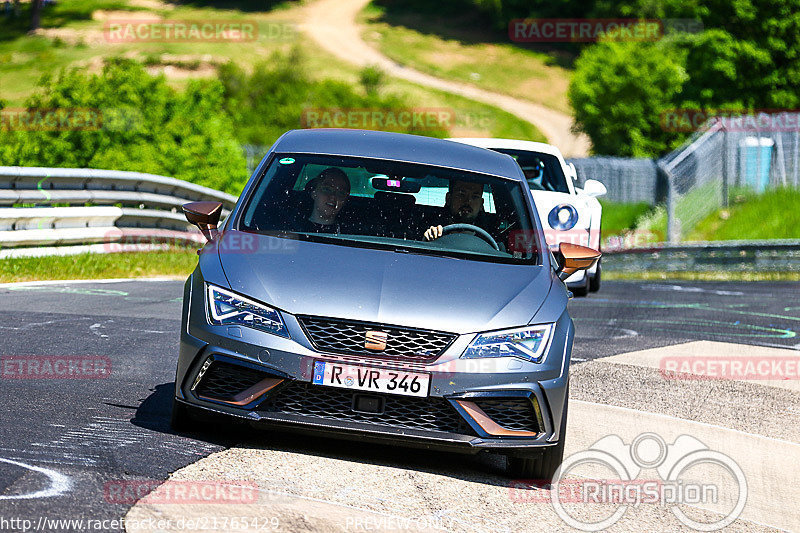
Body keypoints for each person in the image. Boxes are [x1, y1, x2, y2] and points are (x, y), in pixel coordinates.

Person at [422, 179, 489, 241]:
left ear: (481, 204)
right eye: (461, 195)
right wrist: (429, 237)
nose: (468, 201)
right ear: (448, 199)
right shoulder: (433, 230)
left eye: (475, 197)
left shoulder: (492, 236)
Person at [295, 167, 351, 233]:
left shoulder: (351, 236)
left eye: (341, 193)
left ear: (345, 201)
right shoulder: (292, 229)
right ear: (314, 193)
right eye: (327, 189)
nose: (333, 196)